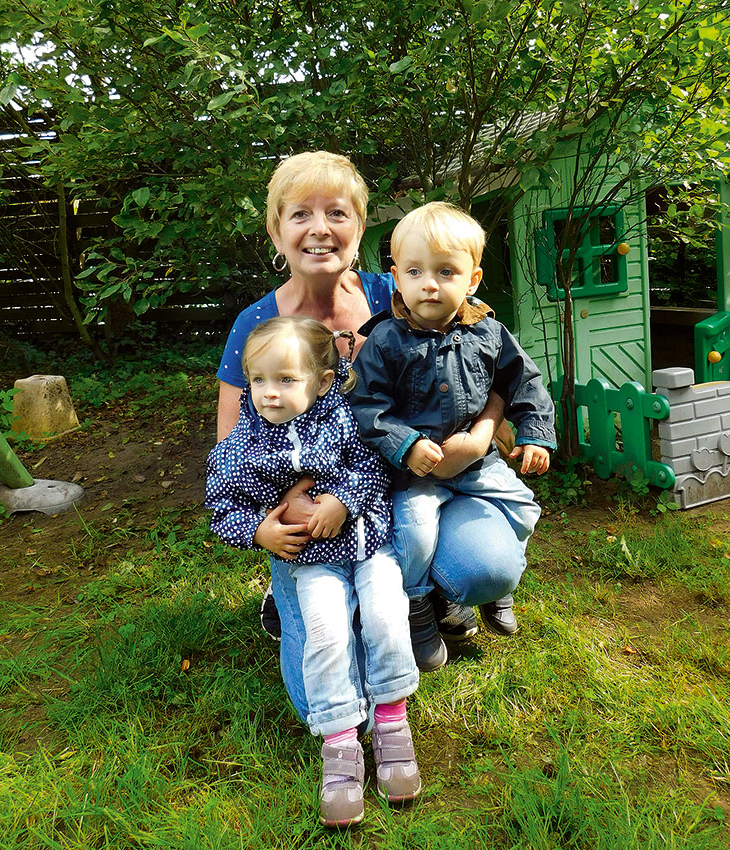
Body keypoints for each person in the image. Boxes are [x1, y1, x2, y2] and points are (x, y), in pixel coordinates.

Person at [215, 150, 526, 719]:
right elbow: (231, 443)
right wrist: (275, 507)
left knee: (484, 567)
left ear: (361, 228)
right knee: (325, 687)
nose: (319, 228)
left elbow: (494, 359)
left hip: (416, 480)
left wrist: (484, 432)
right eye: (299, 214)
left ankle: (428, 587)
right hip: (312, 506)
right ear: (276, 232)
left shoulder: (409, 284)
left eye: (337, 212)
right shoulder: (256, 325)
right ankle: (298, 590)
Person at [207, 317, 421, 827]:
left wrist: (344, 502)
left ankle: (392, 722)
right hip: (312, 561)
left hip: (371, 546)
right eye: (258, 380)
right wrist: (259, 531)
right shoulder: (242, 445)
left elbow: (375, 465)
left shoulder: (346, 418)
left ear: (323, 381)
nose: (268, 393)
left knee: (387, 618)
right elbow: (221, 507)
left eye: (286, 379)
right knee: (324, 639)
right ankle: (341, 744)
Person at [349, 202, 557, 671]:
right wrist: (404, 444)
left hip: (477, 462)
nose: (430, 284)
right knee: (415, 532)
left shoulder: (489, 332)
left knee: (525, 507)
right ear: (396, 276)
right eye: (416, 271)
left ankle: (497, 590)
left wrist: (536, 435)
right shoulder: (385, 340)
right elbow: (366, 405)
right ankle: (419, 607)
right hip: (416, 472)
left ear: (473, 279)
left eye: (446, 271)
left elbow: (525, 381)